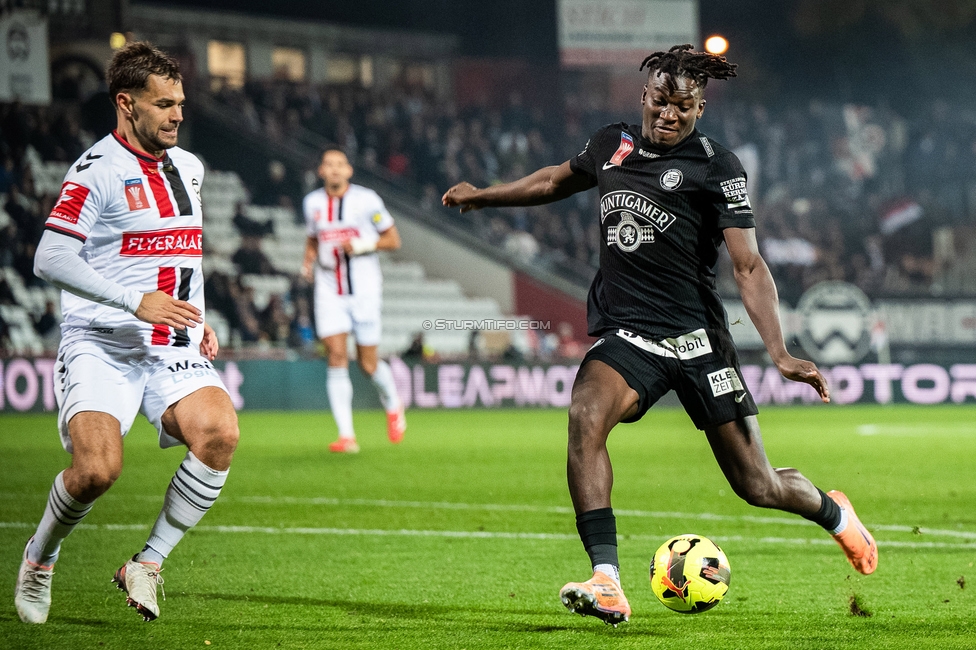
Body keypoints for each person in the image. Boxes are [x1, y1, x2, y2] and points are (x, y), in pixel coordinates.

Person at [442, 45, 877, 626]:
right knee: (584, 415)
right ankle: (607, 581)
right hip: (630, 335)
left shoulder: (717, 166)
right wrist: (483, 195)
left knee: (759, 485)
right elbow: (552, 180)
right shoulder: (611, 144)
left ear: (700, 108)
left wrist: (779, 351)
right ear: (644, 96)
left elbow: (748, 266)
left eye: (683, 107)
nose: (668, 115)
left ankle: (835, 514)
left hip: (698, 341)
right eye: (660, 102)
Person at [15, 42, 239, 624]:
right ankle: (40, 557)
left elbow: (181, 252)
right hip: (101, 340)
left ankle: (148, 563)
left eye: (181, 103)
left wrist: (196, 314)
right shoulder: (97, 171)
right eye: (164, 104)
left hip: (169, 343)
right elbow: (50, 258)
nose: (177, 114)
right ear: (126, 103)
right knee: (97, 472)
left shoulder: (189, 167)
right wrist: (134, 301)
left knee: (219, 434)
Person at [301, 148, 406, 453]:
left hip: (364, 289)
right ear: (321, 171)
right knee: (335, 355)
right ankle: (347, 436)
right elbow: (312, 239)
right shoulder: (312, 203)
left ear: (349, 171)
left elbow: (393, 239)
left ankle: (393, 401)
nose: (334, 170)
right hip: (328, 288)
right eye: (328, 164)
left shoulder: (367, 200)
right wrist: (308, 261)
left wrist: (361, 244)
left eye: (339, 165)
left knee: (368, 364)